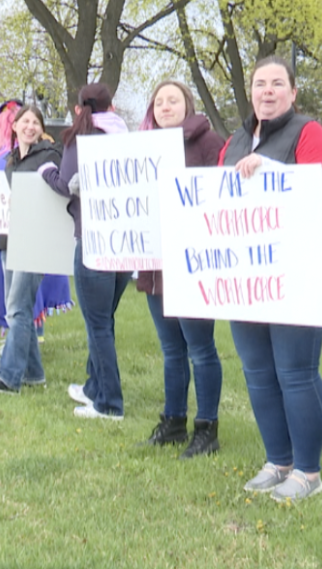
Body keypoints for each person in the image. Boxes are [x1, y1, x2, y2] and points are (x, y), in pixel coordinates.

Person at [218, 57, 322, 501]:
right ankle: (279, 460)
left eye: (277, 83)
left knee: (295, 371)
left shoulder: (307, 132)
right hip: (247, 272)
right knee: (257, 371)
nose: (267, 91)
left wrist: (271, 170)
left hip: (301, 268)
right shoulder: (235, 140)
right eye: (259, 84)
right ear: (250, 92)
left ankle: (308, 471)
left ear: (293, 92)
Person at [134, 81, 225, 458]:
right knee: (171, 349)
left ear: (187, 105)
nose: (165, 106)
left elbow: (221, 195)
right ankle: (173, 422)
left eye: (173, 100)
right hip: (155, 264)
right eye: (159, 101)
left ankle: (207, 429)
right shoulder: (142, 148)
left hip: (192, 263)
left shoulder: (208, 142)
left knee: (199, 349)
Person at [39, 83, 131, 420]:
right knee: (105, 320)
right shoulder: (127, 139)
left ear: (79, 109)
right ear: (113, 108)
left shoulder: (80, 139)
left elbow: (66, 185)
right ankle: (95, 387)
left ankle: (109, 403)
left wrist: (46, 172)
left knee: (97, 324)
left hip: (93, 239)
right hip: (125, 240)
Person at [0, 105, 63, 393]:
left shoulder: (49, 156)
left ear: (41, 129)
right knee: (19, 307)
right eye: (25, 121)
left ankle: (8, 377)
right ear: (14, 126)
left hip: (35, 241)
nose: (30, 126)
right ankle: (33, 374)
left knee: (17, 308)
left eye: (35, 122)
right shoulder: (11, 160)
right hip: (8, 241)